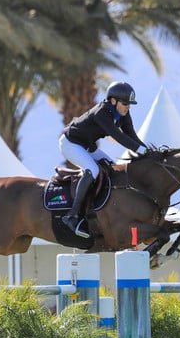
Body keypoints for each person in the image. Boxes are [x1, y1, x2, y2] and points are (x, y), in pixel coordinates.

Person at [58, 81, 148, 237]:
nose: (127, 107)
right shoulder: (102, 113)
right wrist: (141, 150)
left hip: (87, 146)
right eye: (125, 103)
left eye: (129, 104)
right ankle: (72, 216)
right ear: (113, 101)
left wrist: (149, 151)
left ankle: (102, 211)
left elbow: (131, 134)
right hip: (70, 143)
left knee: (113, 168)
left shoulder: (123, 114)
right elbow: (118, 136)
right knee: (92, 170)